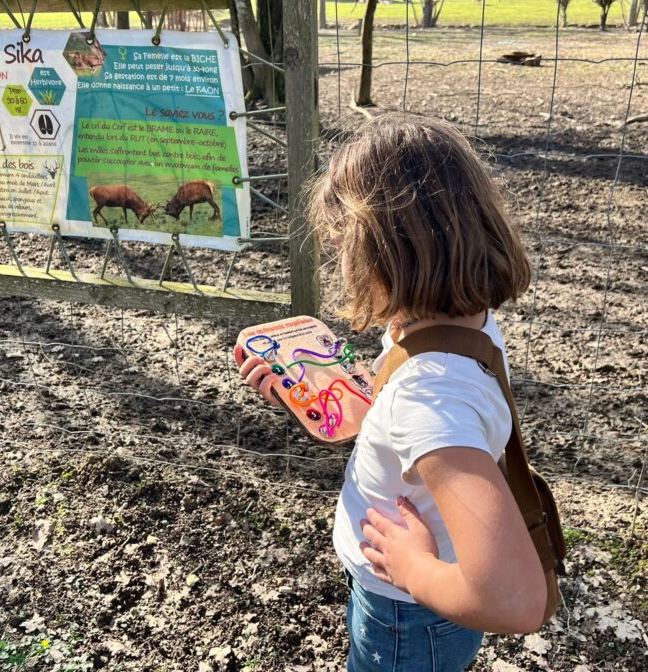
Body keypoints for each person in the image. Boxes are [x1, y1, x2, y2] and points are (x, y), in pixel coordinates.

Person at [233, 114, 547, 671]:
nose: (344, 270)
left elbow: (517, 600)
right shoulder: (454, 323)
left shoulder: (429, 398)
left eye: (343, 253)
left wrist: (413, 568)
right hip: (412, 607)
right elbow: (412, 426)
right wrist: (319, 398)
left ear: (384, 257)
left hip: (409, 616)